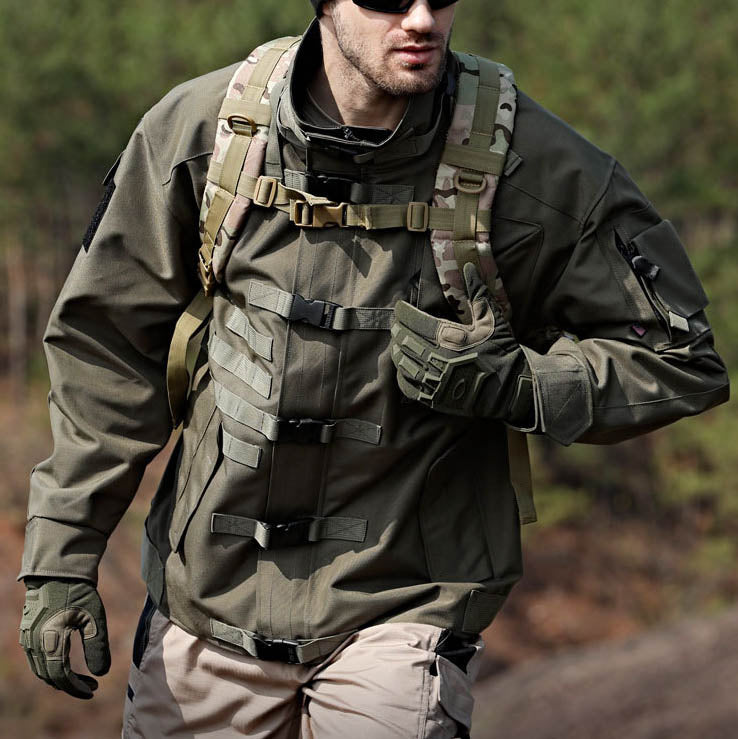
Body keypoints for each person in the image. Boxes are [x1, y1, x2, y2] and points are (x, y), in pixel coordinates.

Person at [18, 0, 729, 737]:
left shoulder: (535, 165)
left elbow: (680, 357)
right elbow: (106, 347)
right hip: (207, 601)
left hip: (408, 602)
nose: (420, 19)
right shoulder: (205, 134)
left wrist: (520, 384)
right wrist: (61, 554)